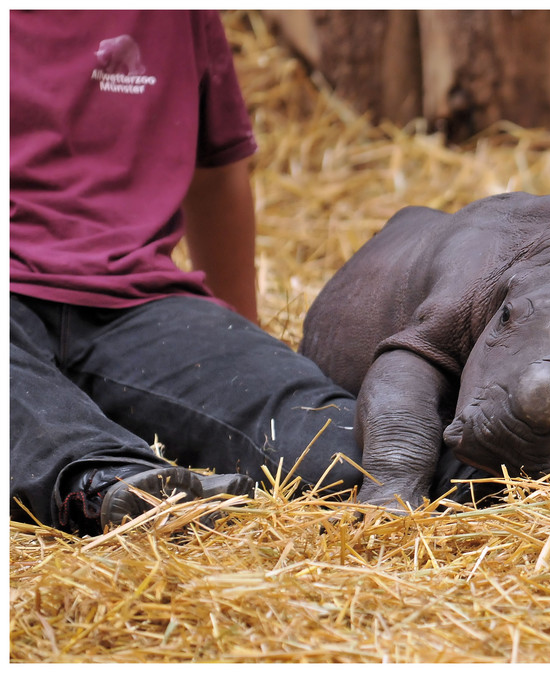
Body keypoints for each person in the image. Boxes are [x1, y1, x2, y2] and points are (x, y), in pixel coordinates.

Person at [8, 10, 393, 536]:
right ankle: (115, 484)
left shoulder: (177, 15)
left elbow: (216, 173)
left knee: (331, 439)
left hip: (139, 304)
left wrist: (246, 342)